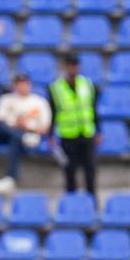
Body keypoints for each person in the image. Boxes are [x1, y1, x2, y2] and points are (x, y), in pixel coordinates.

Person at [0, 73, 52, 195]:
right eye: (19, 84)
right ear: (14, 86)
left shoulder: (39, 102)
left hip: (29, 133)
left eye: (25, 84)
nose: (22, 87)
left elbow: (45, 128)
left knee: (15, 140)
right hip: (6, 133)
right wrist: (15, 124)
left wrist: (27, 127)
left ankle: (10, 178)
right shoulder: (6, 99)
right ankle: (23, 138)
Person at [49, 52, 100, 200]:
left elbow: (93, 108)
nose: (73, 69)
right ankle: (71, 201)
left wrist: (98, 130)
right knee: (69, 170)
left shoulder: (88, 85)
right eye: (70, 65)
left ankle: (92, 201)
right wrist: (51, 134)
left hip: (86, 132)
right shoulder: (56, 88)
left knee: (89, 169)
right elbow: (53, 111)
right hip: (68, 134)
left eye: (75, 65)